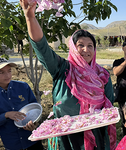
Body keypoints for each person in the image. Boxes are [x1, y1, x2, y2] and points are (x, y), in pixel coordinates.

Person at [20, 0, 116, 150]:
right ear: (73, 48)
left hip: (95, 138)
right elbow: (42, 47)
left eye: (90, 46)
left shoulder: (102, 75)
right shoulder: (62, 69)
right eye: (81, 45)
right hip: (65, 139)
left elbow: (109, 107)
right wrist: (30, 18)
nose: (86, 50)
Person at [0, 58, 44, 150]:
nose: (7, 75)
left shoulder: (23, 87)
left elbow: (34, 110)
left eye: (9, 71)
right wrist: (6, 115)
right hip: (12, 144)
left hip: (32, 140)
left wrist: (34, 123)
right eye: (1, 72)